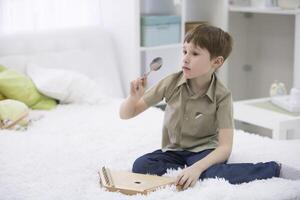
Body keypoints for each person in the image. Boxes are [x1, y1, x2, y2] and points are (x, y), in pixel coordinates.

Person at [119, 24, 300, 190]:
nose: (185, 59)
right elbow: (127, 114)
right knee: (141, 165)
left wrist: (197, 168)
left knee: (210, 173)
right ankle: (197, 169)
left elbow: (225, 148)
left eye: (195, 54)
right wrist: (132, 98)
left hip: (205, 151)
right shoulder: (171, 82)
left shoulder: (222, 96)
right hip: (173, 151)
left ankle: (274, 169)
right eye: (184, 51)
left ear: (216, 62)